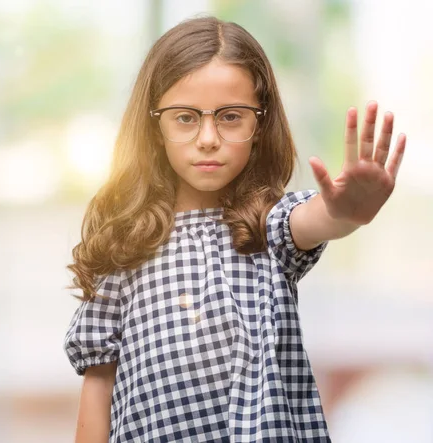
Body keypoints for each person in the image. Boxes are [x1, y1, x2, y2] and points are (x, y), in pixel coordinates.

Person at [63, 16, 406, 443]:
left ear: (258, 126)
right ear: (155, 128)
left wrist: (349, 211)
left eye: (230, 117)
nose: (208, 138)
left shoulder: (267, 227)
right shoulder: (126, 245)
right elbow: (98, 385)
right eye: (185, 118)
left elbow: (316, 219)